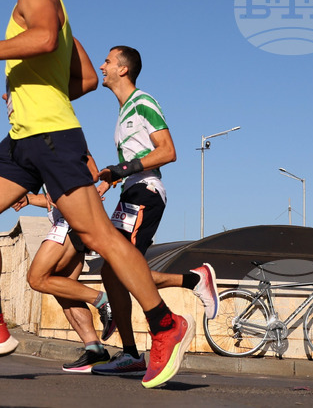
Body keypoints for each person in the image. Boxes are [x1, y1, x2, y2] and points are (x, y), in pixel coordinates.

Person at [0, 0, 192, 390]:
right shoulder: (56, 8)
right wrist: (32, 91)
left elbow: (44, 39)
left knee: (97, 235)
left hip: (52, 138)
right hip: (23, 139)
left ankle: (165, 323)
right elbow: (89, 79)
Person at [90, 44, 218, 376]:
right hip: (131, 192)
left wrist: (123, 169)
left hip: (147, 193)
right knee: (110, 271)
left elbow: (168, 151)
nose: (101, 66)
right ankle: (131, 353)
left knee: (123, 268)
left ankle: (189, 286)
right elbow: (135, 159)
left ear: (123, 69)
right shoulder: (122, 111)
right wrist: (111, 178)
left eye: (107, 61)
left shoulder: (144, 102)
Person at [14, 185, 115, 373]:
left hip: (71, 221)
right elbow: (51, 200)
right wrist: (28, 200)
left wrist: (91, 192)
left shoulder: (56, 157)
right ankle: (94, 349)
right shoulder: (45, 162)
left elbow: (87, 172)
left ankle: (104, 301)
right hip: (69, 221)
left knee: (37, 278)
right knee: (64, 291)